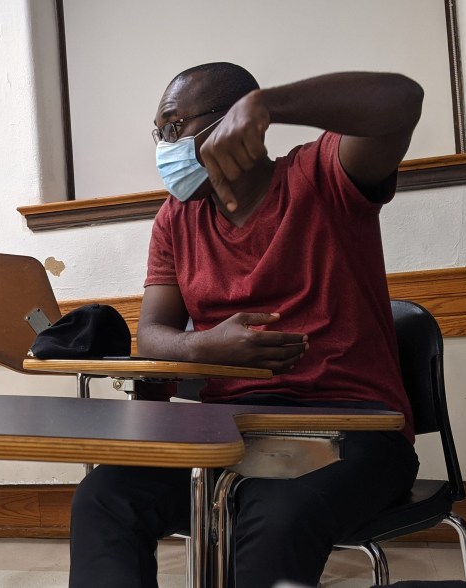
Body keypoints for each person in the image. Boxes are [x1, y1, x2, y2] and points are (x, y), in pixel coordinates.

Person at [68, 63, 425, 588]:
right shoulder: (176, 218)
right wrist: (208, 346)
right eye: (159, 133)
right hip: (232, 434)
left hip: (351, 430)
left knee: (272, 515)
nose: (164, 147)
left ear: (233, 118)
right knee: (103, 498)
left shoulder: (322, 176)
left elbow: (403, 99)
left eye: (174, 127)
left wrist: (270, 104)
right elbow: (153, 335)